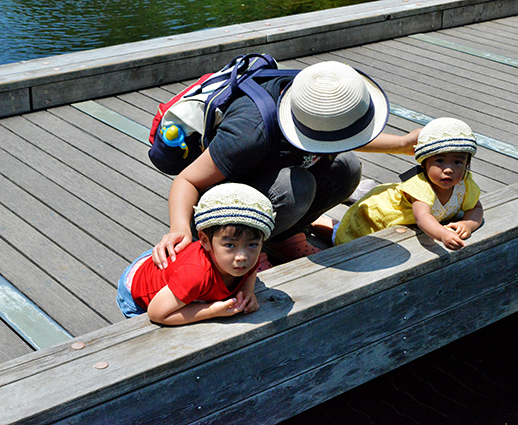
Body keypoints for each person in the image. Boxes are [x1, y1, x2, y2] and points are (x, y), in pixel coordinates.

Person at [152, 60, 420, 269]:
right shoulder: (249, 134)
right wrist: (178, 230)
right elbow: (186, 181)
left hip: (267, 171)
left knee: (347, 168)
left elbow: (341, 135)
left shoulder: (318, 100)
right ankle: (248, 245)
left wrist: (401, 143)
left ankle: (283, 236)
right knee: (294, 188)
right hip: (228, 192)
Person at [116, 183, 275, 325]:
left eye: (253, 244)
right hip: (139, 293)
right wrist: (211, 311)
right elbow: (157, 313)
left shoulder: (245, 261)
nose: (242, 256)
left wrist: (246, 291)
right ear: (205, 241)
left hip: (176, 270)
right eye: (230, 245)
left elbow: (251, 272)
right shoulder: (195, 275)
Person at [315, 117, 483, 250]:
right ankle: (315, 223)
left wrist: (468, 223)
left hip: (398, 221)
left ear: (467, 164)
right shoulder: (422, 187)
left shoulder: (464, 183)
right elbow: (422, 217)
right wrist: (442, 234)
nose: (448, 169)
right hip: (375, 217)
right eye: (439, 161)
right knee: (345, 237)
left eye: (458, 162)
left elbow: (476, 207)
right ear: (424, 163)